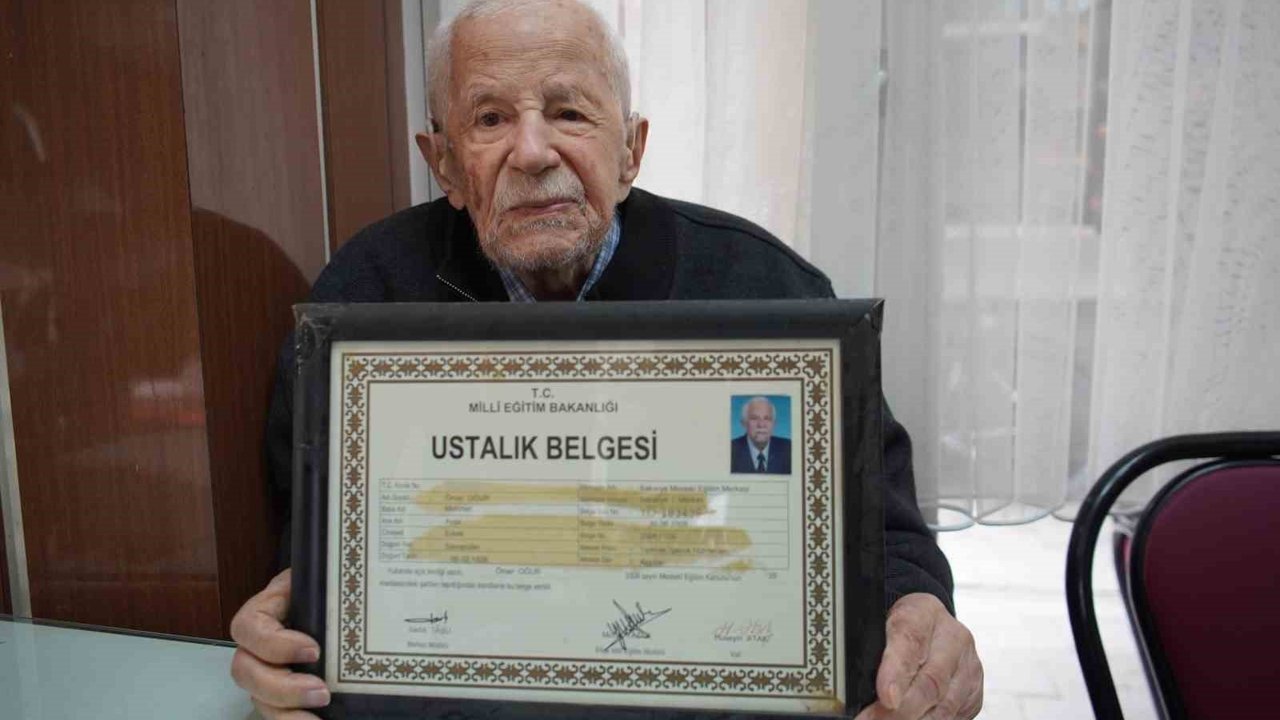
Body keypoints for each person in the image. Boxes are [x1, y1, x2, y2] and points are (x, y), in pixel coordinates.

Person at [230, 1, 983, 719]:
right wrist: (295, 631)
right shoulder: (365, 297)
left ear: (630, 152)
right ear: (446, 165)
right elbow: (316, 548)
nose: (533, 153)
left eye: (569, 113)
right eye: (490, 119)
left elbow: (888, 539)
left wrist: (918, 615)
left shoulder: (765, 287)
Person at [731, 396, 791, 474]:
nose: (761, 424)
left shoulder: (789, 449)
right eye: (754, 418)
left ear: (774, 424)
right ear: (744, 423)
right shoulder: (730, 451)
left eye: (767, 418)